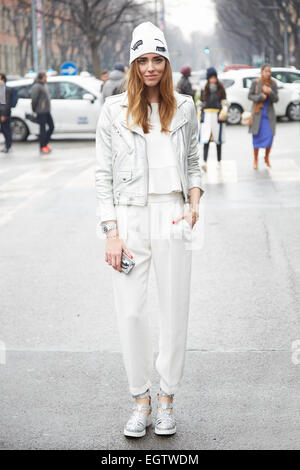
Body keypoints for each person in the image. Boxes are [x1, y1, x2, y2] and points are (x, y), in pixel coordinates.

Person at [95, 21, 204, 438]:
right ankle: (140, 399)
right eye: (144, 60)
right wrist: (111, 232)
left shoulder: (186, 107)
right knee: (131, 312)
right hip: (129, 217)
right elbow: (102, 175)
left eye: (158, 59)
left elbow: (193, 161)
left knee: (175, 311)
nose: (151, 67)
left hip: (173, 214)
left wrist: (194, 199)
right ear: (133, 64)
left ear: (168, 63)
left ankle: (167, 400)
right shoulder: (113, 111)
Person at [248, 64, 278, 169]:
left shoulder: (273, 84)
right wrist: (260, 96)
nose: (268, 73)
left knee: (270, 137)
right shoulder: (256, 82)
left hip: (268, 115)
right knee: (256, 138)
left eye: (269, 71)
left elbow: (276, 99)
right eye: (266, 71)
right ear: (262, 72)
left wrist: (270, 92)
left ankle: (266, 157)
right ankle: (255, 160)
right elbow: (250, 95)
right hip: (257, 114)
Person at [199, 67, 228, 171]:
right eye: (211, 77)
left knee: (218, 140)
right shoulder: (204, 88)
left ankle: (219, 162)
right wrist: (199, 112)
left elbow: (225, 102)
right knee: (205, 140)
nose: (213, 79)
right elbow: (201, 102)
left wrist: (223, 111)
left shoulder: (221, 88)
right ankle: (204, 162)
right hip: (206, 116)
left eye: (214, 77)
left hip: (217, 116)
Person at [31, 72, 54, 155]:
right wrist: (34, 109)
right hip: (40, 111)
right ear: (41, 77)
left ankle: (45, 143)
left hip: (47, 110)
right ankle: (42, 146)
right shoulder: (36, 86)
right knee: (42, 129)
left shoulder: (45, 85)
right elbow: (34, 99)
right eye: (45, 77)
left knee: (51, 127)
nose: (46, 78)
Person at [0, 73, 13, 153]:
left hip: (4, 114)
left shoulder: (6, 89)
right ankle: (7, 146)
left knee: (6, 130)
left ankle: (8, 146)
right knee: (4, 130)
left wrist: (4, 115)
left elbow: (6, 103)